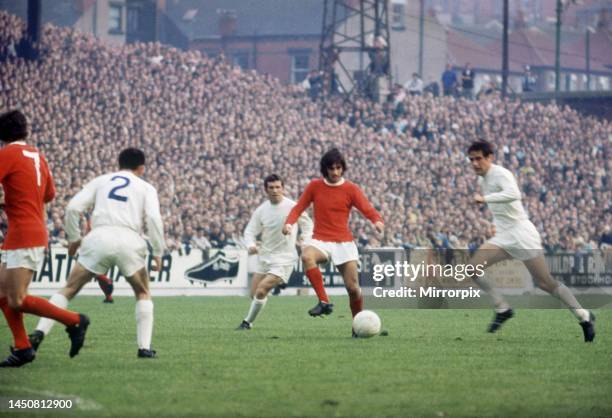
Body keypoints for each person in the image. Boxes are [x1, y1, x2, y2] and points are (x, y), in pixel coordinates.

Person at [29, 148, 165, 358]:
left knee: (69, 288)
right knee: (143, 292)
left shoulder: (102, 181)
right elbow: (154, 219)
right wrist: (158, 251)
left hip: (99, 237)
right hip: (129, 239)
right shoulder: (146, 187)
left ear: (119, 164)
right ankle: (144, 348)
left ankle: (38, 332)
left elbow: (73, 208)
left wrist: (74, 239)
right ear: (141, 168)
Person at [466, 140, 595, 342]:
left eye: (478, 158)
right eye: (471, 159)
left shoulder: (501, 174)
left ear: (490, 157)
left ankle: (583, 316)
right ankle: (502, 308)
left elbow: (514, 195)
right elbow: (503, 209)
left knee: (545, 283)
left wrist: (485, 200)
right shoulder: (483, 180)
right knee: (472, 268)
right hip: (504, 235)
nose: (474, 163)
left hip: (521, 233)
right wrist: (494, 224)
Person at [0, 110, 89, 367]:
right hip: (29, 229)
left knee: (16, 299)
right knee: (2, 293)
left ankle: (74, 320)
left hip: (24, 234)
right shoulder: (38, 156)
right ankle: (23, 348)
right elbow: (49, 194)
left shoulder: (7, 154)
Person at [282, 148, 384, 336]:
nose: (335, 172)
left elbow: (366, 208)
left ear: (342, 168)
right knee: (306, 255)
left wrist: (377, 221)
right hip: (320, 239)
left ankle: (357, 326)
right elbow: (298, 208)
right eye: (331, 168)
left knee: (353, 289)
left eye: (338, 168)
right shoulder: (314, 186)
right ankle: (324, 302)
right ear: (325, 169)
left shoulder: (351, 188)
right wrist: (289, 224)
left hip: (344, 243)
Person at [236, 174, 312, 330]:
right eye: (271, 187)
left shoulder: (293, 206)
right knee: (254, 294)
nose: (275, 190)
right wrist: (250, 244)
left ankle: (247, 323)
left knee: (262, 290)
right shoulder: (261, 210)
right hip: (265, 257)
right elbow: (249, 231)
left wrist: (305, 240)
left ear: (283, 188)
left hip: (284, 258)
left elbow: (308, 225)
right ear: (266, 190)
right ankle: (278, 284)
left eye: (278, 187)